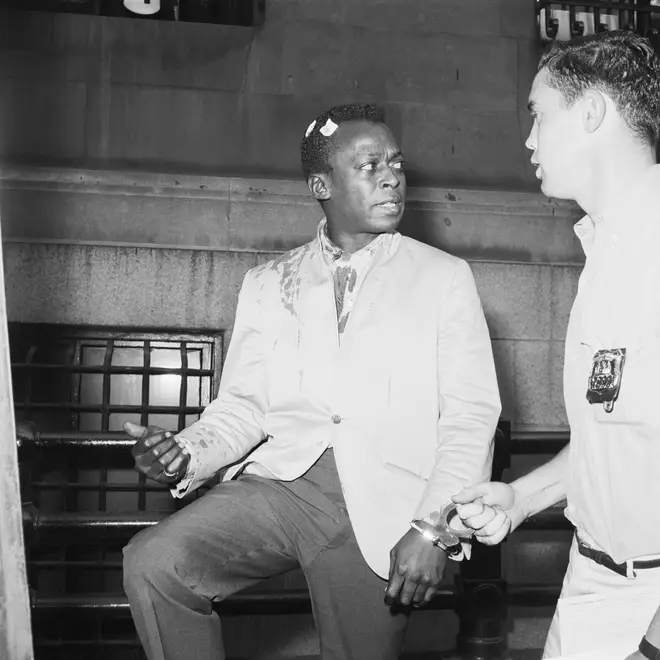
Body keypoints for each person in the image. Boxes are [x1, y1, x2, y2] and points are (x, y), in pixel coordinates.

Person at [122, 102, 501, 660]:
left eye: (395, 162)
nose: (391, 175)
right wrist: (185, 452)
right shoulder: (267, 281)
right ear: (321, 184)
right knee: (155, 562)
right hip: (281, 486)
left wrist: (433, 529)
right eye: (369, 165)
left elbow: (470, 418)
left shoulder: (445, 279)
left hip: (384, 506)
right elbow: (244, 406)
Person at [452, 31, 660, 660]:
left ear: (592, 112)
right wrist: (523, 498)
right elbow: (617, 438)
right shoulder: (604, 248)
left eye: (539, 115)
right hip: (592, 584)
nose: (528, 140)